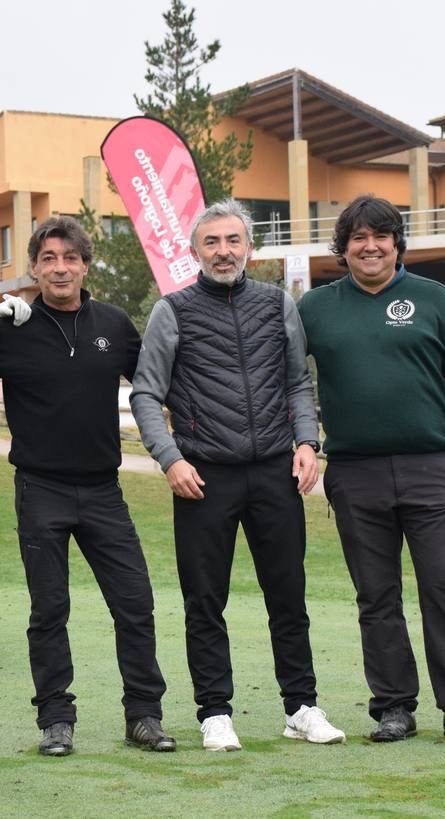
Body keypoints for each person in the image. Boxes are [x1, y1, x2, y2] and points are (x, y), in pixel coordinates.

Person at [0, 216, 175, 756]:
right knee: (49, 611)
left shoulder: (115, 325)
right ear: (34, 268)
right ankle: (56, 720)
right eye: (48, 258)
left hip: (103, 492)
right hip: (40, 490)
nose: (59, 268)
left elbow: (159, 382)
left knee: (135, 603)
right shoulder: (14, 328)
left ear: (85, 266)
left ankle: (143, 715)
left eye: (69, 258)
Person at [129, 198, 345, 751]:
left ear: (249, 246)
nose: (223, 252)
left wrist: (306, 441)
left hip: (275, 471)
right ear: (194, 250)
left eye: (233, 241)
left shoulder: (278, 305)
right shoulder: (171, 311)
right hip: (204, 475)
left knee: (287, 595)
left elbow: (298, 381)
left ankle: (301, 706)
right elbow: (148, 394)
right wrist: (170, 458)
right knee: (205, 599)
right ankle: (215, 712)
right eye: (212, 242)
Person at [298, 194, 445, 745]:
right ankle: (393, 708)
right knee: (377, 596)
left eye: (380, 236)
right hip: (356, 474)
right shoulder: (315, 307)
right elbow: (287, 380)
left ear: (396, 243)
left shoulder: (435, 300)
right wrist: (304, 441)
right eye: (358, 238)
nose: (370, 246)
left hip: (436, 468)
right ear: (343, 248)